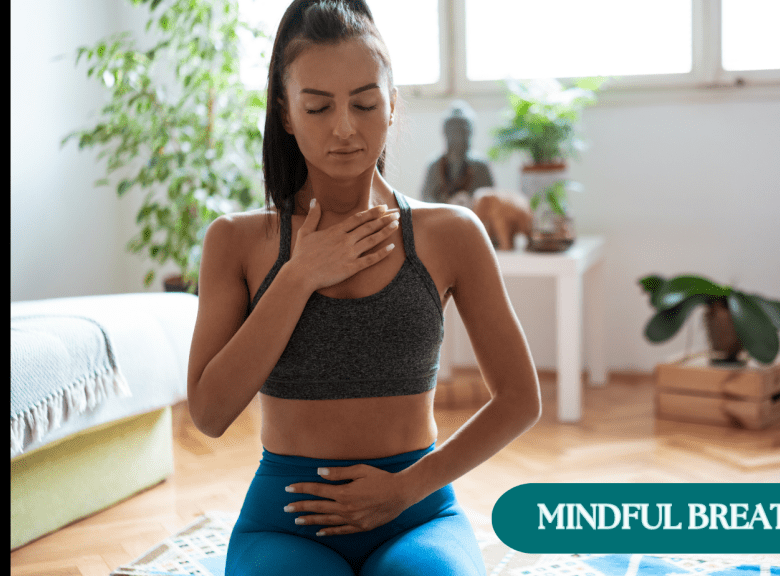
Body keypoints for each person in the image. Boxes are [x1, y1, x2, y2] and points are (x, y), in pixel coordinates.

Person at [186, 1, 541, 574]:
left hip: (418, 511)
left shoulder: (451, 234)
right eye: (318, 107)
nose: (345, 128)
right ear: (285, 113)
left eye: (366, 103)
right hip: (285, 520)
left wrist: (404, 490)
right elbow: (209, 413)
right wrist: (298, 275)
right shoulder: (237, 241)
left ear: (393, 105)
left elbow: (521, 399)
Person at [421, 101, 495, 207]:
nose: (459, 138)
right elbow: (426, 199)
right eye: (454, 131)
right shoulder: (435, 165)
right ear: (445, 133)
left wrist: (470, 201)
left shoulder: (480, 165)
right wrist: (447, 204)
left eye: (463, 131)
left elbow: (491, 200)